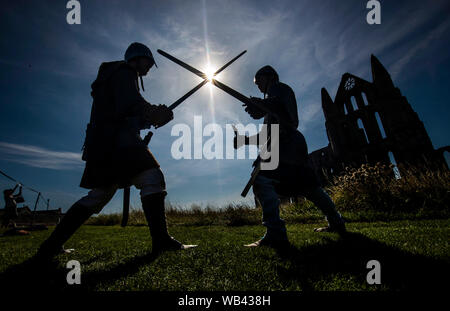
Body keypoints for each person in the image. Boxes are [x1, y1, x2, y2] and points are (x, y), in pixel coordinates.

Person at [35, 42, 195, 260]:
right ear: (137, 59)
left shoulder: (114, 78)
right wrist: (153, 112)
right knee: (151, 176)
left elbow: (123, 113)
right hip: (117, 142)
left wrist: (151, 119)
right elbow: (131, 104)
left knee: (99, 195)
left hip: (106, 143)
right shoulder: (123, 72)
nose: (148, 69)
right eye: (148, 63)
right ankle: (162, 241)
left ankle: (50, 246)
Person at [234, 65, 346, 248]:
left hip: (286, 144)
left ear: (269, 77)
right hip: (289, 144)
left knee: (262, 180)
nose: (258, 86)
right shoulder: (272, 101)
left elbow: (278, 107)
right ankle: (336, 222)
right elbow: (266, 135)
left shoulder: (278, 89)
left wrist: (260, 104)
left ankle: (275, 233)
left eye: (258, 81)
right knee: (310, 187)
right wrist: (244, 140)